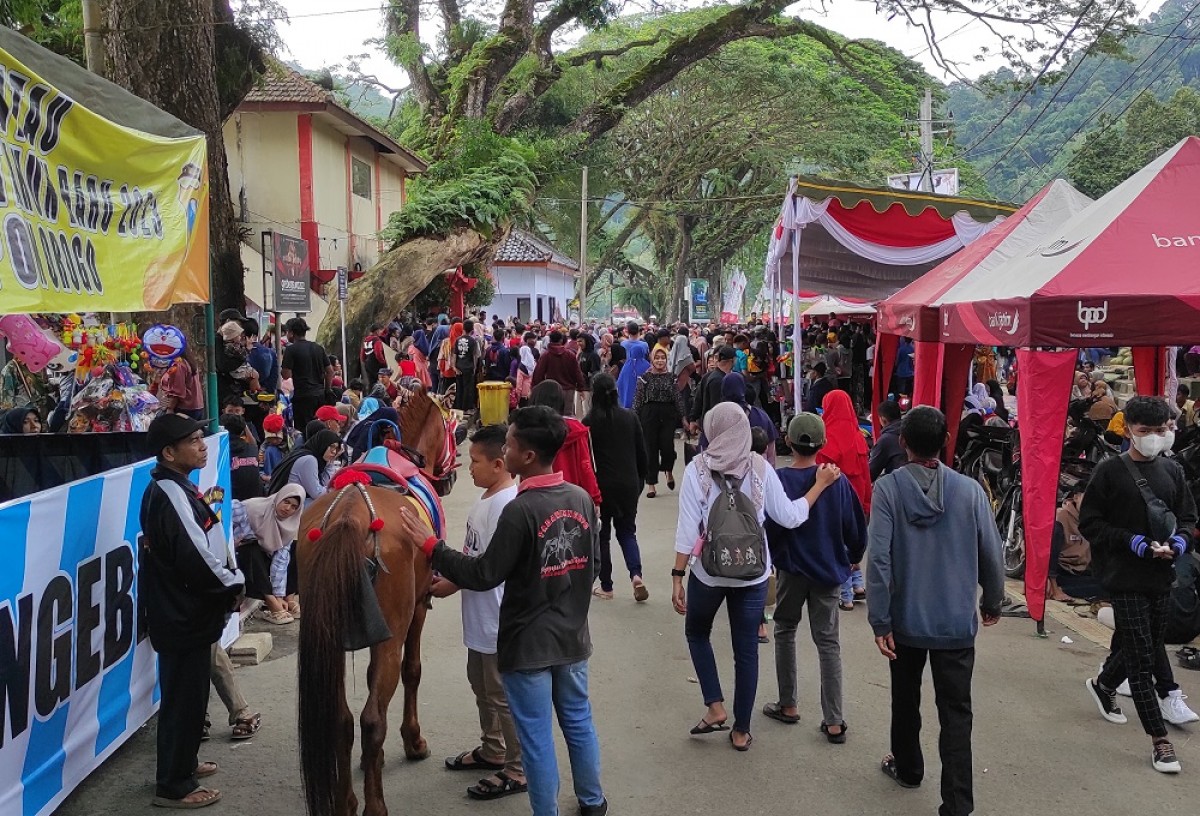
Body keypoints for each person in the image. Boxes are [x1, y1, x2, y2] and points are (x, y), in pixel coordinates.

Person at [400, 406, 608, 816]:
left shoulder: (520, 510)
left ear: (526, 456)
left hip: (527, 645)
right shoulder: (579, 498)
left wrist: (432, 546)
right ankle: (593, 801)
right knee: (578, 721)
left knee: (535, 738)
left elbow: (484, 572)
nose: (505, 449)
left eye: (510, 443)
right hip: (571, 638)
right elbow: (594, 565)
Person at [671, 403, 841, 751]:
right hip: (752, 573)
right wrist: (820, 485)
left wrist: (677, 575)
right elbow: (792, 516)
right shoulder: (760, 467)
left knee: (697, 632)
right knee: (746, 650)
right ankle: (741, 730)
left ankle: (715, 706)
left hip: (708, 571)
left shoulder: (697, 469)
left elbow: (688, 531)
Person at [866, 406, 1004, 815]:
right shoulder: (970, 491)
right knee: (957, 712)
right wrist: (992, 600)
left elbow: (879, 562)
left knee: (905, 698)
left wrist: (880, 618)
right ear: (946, 441)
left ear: (902, 442)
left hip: (905, 620)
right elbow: (992, 553)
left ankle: (908, 767)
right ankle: (958, 804)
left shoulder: (888, 490)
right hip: (956, 622)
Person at [1080, 396, 1199, 774]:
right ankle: (1159, 741)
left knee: (1144, 643)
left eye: (1160, 430)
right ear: (1127, 428)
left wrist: (1179, 542)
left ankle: (1103, 685)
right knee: (1142, 656)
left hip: (1162, 574)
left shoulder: (1173, 471)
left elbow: (1187, 515)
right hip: (1123, 576)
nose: (1153, 437)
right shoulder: (1109, 472)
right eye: (1145, 431)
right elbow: (1091, 524)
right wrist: (1130, 540)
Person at [139, 414, 245, 808]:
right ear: (169, 452)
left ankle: (182, 762)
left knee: (188, 695)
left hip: (187, 612)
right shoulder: (168, 492)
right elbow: (195, 554)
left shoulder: (178, 487)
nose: (203, 445)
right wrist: (233, 585)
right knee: (184, 698)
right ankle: (174, 784)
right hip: (182, 614)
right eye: (194, 440)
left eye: (202, 438)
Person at [432, 425, 526, 800]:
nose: (467, 468)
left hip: (496, 621)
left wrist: (439, 558)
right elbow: (477, 559)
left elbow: (489, 569)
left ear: (500, 464)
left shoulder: (505, 506)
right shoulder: (489, 498)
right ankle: (493, 749)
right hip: (480, 619)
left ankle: (518, 769)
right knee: (482, 687)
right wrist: (453, 582)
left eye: (474, 461)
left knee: (501, 695)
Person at [763, 413, 866, 742]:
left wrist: (776, 558)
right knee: (828, 642)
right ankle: (834, 720)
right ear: (822, 443)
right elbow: (856, 529)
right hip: (828, 570)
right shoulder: (838, 481)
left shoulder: (778, 480)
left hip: (792, 570)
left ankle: (788, 703)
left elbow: (771, 527)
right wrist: (851, 558)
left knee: (785, 630)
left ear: (788, 442)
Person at [584, 374, 648, 602]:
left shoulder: (589, 422)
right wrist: (640, 481)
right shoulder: (630, 417)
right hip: (629, 483)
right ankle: (636, 575)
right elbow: (642, 454)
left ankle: (607, 586)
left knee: (602, 536)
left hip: (601, 486)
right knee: (628, 531)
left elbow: (586, 460)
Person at [232, 484, 304, 625]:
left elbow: (280, 561)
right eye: (286, 502)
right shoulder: (252, 508)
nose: (288, 509)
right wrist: (232, 541)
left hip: (262, 559)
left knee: (294, 548)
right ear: (279, 498)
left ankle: (288, 598)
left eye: (294, 507)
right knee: (251, 547)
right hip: (239, 555)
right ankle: (270, 601)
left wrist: (279, 595)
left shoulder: (289, 524)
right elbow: (221, 521)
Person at [529, 381, 602, 507]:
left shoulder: (528, 432)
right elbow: (585, 467)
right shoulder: (576, 429)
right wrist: (595, 498)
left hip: (538, 499)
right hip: (572, 500)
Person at [633, 346, 687, 498]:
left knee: (667, 447)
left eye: (662, 358)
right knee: (650, 449)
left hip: (668, 414)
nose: (660, 361)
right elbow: (637, 400)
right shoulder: (644, 378)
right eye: (657, 358)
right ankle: (651, 484)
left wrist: (683, 417)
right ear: (652, 359)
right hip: (648, 414)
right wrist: (634, 419)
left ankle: (668, 471)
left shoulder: (671, 377)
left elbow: (677, 398)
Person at [281, 318, 333, 430]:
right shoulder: (318, 348)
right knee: (320, 427)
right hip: (319, 395)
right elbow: (330, 371)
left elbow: (286, 375)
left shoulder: (291, 350)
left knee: (304, 430)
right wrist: (327, 389)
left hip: (302, 397)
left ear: (291, 333)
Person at [266, 428, 342, 504]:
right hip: (287, 505)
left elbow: (323, 484)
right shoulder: (309, 460)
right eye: (331, 446)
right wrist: (336, 490)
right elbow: (317, 494)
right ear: (322, 444)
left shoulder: (305, 453)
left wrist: (330, 463)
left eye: (336, 448)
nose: (334, 452)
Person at [719, 372, 777, 465]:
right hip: (758, 471)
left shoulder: (717, 416)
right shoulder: (761, 416)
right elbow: (771, 453)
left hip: (726, 473)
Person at [532, 331, 587, 416]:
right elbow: (577, 372)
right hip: (568, 390)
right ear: (561, 340)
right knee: (567, 416)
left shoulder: (546, 355)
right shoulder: (570, 355)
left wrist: (535, 388)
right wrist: (581, 388)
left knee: (552, 415)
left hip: (550, 390)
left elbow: (538, 374)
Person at [689, 346, 734, 432]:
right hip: (715, 427)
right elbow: (700, 399)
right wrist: (693, 418)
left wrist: (693, 419)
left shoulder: (725, 377)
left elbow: (698, 399)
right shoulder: (717, 379)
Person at [220, 413, 263, 501]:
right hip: (257, 500)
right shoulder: (252, 448)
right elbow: (253, 443)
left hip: (233, 503)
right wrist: (244, 425)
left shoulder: (222, 452)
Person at [157, 348, 204, 420]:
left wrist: (170, 408)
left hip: (184, 408)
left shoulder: (178, 365)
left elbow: (177, 391)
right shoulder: (188, 361)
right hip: (196, 406)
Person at [617, 323, 650, 409]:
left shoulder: (623, 344)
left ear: (628, 331)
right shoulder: (644, 345)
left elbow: (620, 384)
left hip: (627, 370)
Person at [870, 400, 906, 480]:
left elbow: (871, 472)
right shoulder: (909, 431)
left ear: (883, 419)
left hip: (897, 483)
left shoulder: (886, 439)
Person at [455, 319, 483, 414]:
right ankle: (466, 408)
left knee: (459, 388)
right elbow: (476, 356)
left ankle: (458, 408)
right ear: (472, 330)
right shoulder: (473, 341)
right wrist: (474, 368)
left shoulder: (457, 340)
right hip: (469, 367)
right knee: (468, 388)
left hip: (459, 367)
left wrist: (455, 367)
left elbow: (454, 354)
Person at [576, 334, 603, 417]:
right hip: (579, 387)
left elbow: (595, 372)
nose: (578, 343)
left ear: (587, 341)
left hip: (588, 388)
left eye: (581, 341)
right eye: (577, 341)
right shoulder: (581, 354)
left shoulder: (593, 355)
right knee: (578, 412)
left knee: (587, 412)